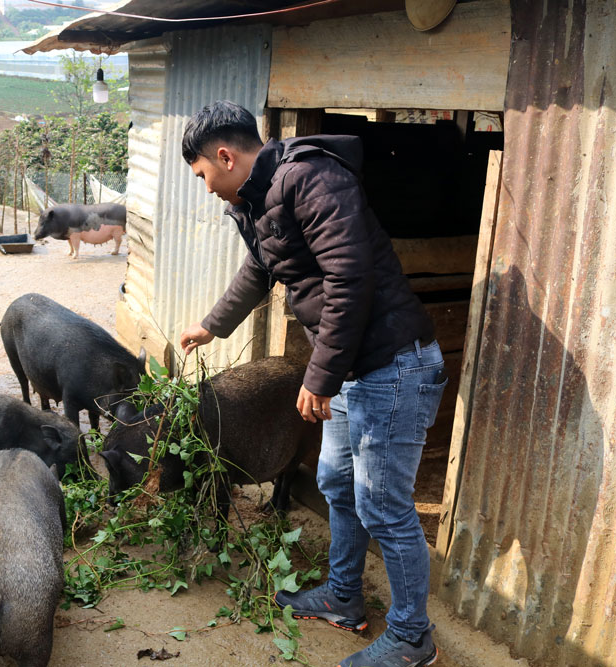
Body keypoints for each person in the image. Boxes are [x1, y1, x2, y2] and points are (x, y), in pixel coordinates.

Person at [178, 100, 447, 667]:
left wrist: (319, 377)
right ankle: (345, 597)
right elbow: (259, 268)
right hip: (356, 368)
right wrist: (211, 326)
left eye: (203, 174)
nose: (205, 188)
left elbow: (350, 280)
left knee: (384, 505)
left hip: (393, 364)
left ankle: (412, 637)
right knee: (336, 481)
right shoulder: (260, 200)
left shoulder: (313, 179)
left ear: (224, 156)